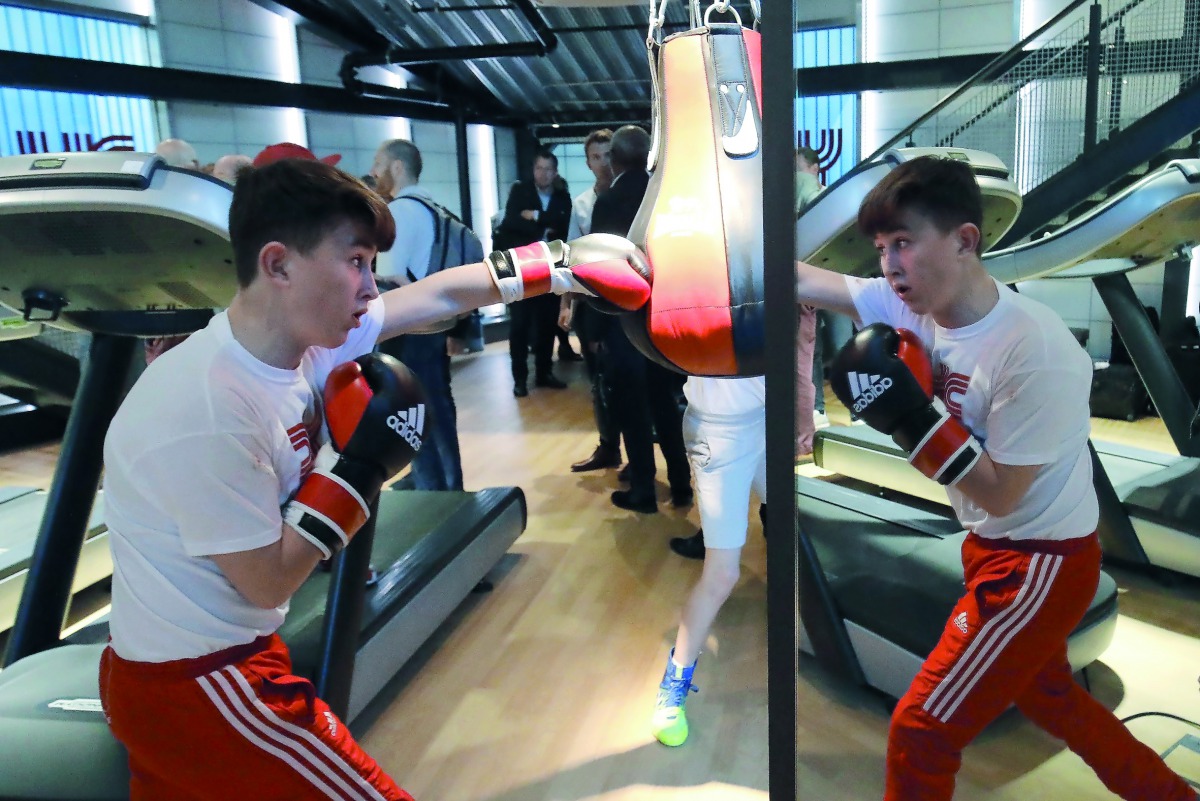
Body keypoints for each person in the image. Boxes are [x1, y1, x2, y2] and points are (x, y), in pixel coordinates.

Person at [97, 152, 650, 800]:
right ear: (278, 265)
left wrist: (556, 265)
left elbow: (438, 294)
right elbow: (266, 578)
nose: (370, 285)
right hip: (200, 683)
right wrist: (358, 471)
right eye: (355, 261)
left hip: (205, 661)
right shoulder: (207, 405)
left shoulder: (306, 341)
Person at [795, 154, 1197, 801]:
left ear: (964, 240)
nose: (889, 265)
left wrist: (910, 420)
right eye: (879, 248)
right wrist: (698, 259)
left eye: (903, 243)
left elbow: (1001, 490)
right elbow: (810, 282)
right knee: (1055, 699)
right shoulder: (912, 304)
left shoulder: (1034, 350)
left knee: (921, 730)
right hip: (993, 550)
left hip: (1041, 565)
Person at [590, 125, 691, 514]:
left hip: (624, 321)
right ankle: (681, 484)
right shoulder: (665, 197)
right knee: (666, 404)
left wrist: (596, 330)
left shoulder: (609, 202)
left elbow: (603, 272)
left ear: (614, 160)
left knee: (632, 408)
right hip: (664, 320)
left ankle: (644, 491)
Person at [370, 137, 463, 491]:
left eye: (379, 163)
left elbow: (390, 283)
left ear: (396, 166)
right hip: (436, 320)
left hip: (409, 329)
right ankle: (448, 485)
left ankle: (434, 490)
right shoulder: (436, 206)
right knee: (438, 407)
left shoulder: (398, 211)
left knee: (413, 413)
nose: (374, 172)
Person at [562, 128, 621, 473]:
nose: (603, 163)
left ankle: (637, 450)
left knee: (629, 377)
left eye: (608, 155)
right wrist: (566, 304)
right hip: (591, 301)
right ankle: (608, 445)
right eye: (596, 157)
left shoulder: (633, 195)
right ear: (587, 162)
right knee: (598, 379)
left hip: (628, 300)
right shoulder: (582, 203)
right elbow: (571, 256)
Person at [495, 149, 573, 397]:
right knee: (519, 325)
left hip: (550, 268)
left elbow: (564, 223)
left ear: (555, 172)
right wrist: (545, 223)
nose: (543, 173)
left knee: (547, 322)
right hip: (522, 268)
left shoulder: (562, 196)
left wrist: (535, 216)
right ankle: (519, 378)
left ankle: (544, 372)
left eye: (548, 169)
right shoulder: (521, 191)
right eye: (539, 168)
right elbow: (510, 222)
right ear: (533, 170)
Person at [796, 144, 831, 430]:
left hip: (821, 280)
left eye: (799, 167)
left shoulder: (824, 196)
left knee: (808, 356)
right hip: (813, 282)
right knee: (810, 352)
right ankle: (816, 411)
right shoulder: (806, 195)